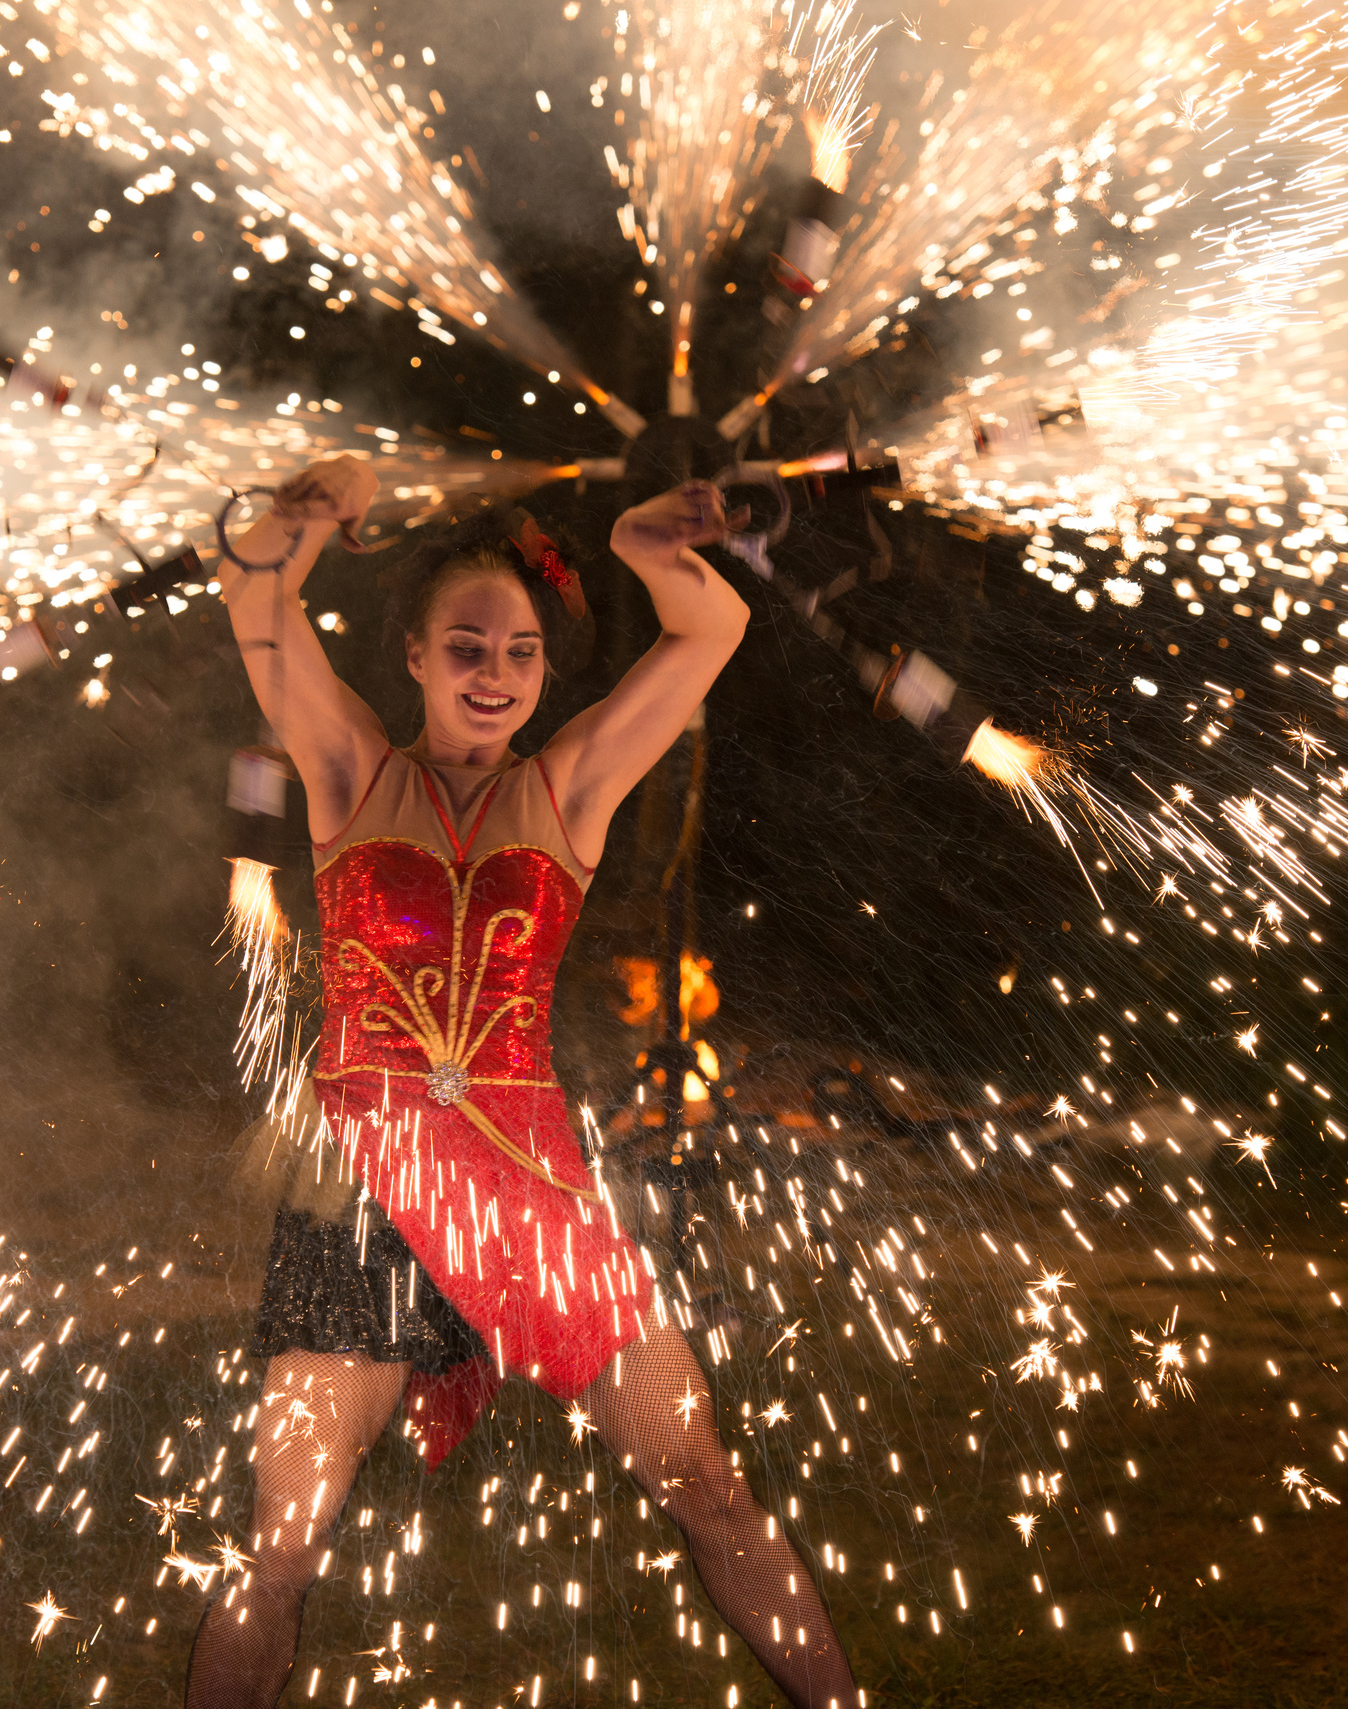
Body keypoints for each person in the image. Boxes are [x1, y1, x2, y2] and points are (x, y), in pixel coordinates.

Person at [190, 458, 859, 1709]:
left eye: (519, 653)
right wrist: (314, 513)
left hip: (525, 1185)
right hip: (367, 1187)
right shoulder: (348, 772)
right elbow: (255, 599)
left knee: (705, 1477)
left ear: (545, 673)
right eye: (465, 646)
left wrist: (644, 538)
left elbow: (711, 624)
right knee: (283, 1532)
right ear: (415, 655)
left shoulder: (569, 786)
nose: (492, 673)